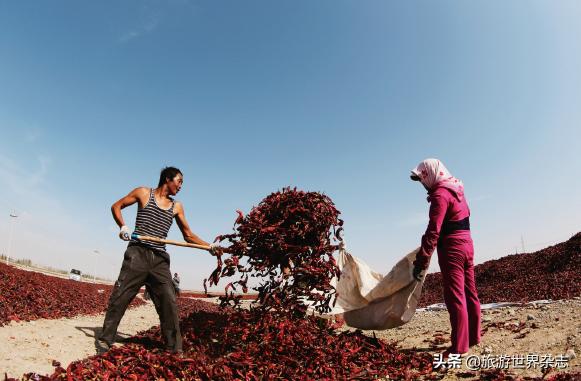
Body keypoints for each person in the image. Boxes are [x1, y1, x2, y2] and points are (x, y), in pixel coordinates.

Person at [98, 166, 218, 353]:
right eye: (179, 181)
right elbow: (116, 206)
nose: (181, 186)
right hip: (138, 252)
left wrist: (209, 246)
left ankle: (173, 348)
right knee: (121, 296)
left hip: (160, 259)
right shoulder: (144, 193)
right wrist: (123, 227)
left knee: (169, 301)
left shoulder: (176, 206)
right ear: (167, 179)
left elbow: (188, 235)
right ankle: (105, 339)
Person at [410, 158, 480, 357]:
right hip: (467, 243)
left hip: (453, 249)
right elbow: (466, 214)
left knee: (455, 296)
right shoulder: (457, 190)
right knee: (470, 292)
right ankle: (473, 336)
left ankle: (460, 346)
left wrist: (422, 259)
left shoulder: (440, 195)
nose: (423, 184)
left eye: (423, 178)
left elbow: (434, 230)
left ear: (431, 174)